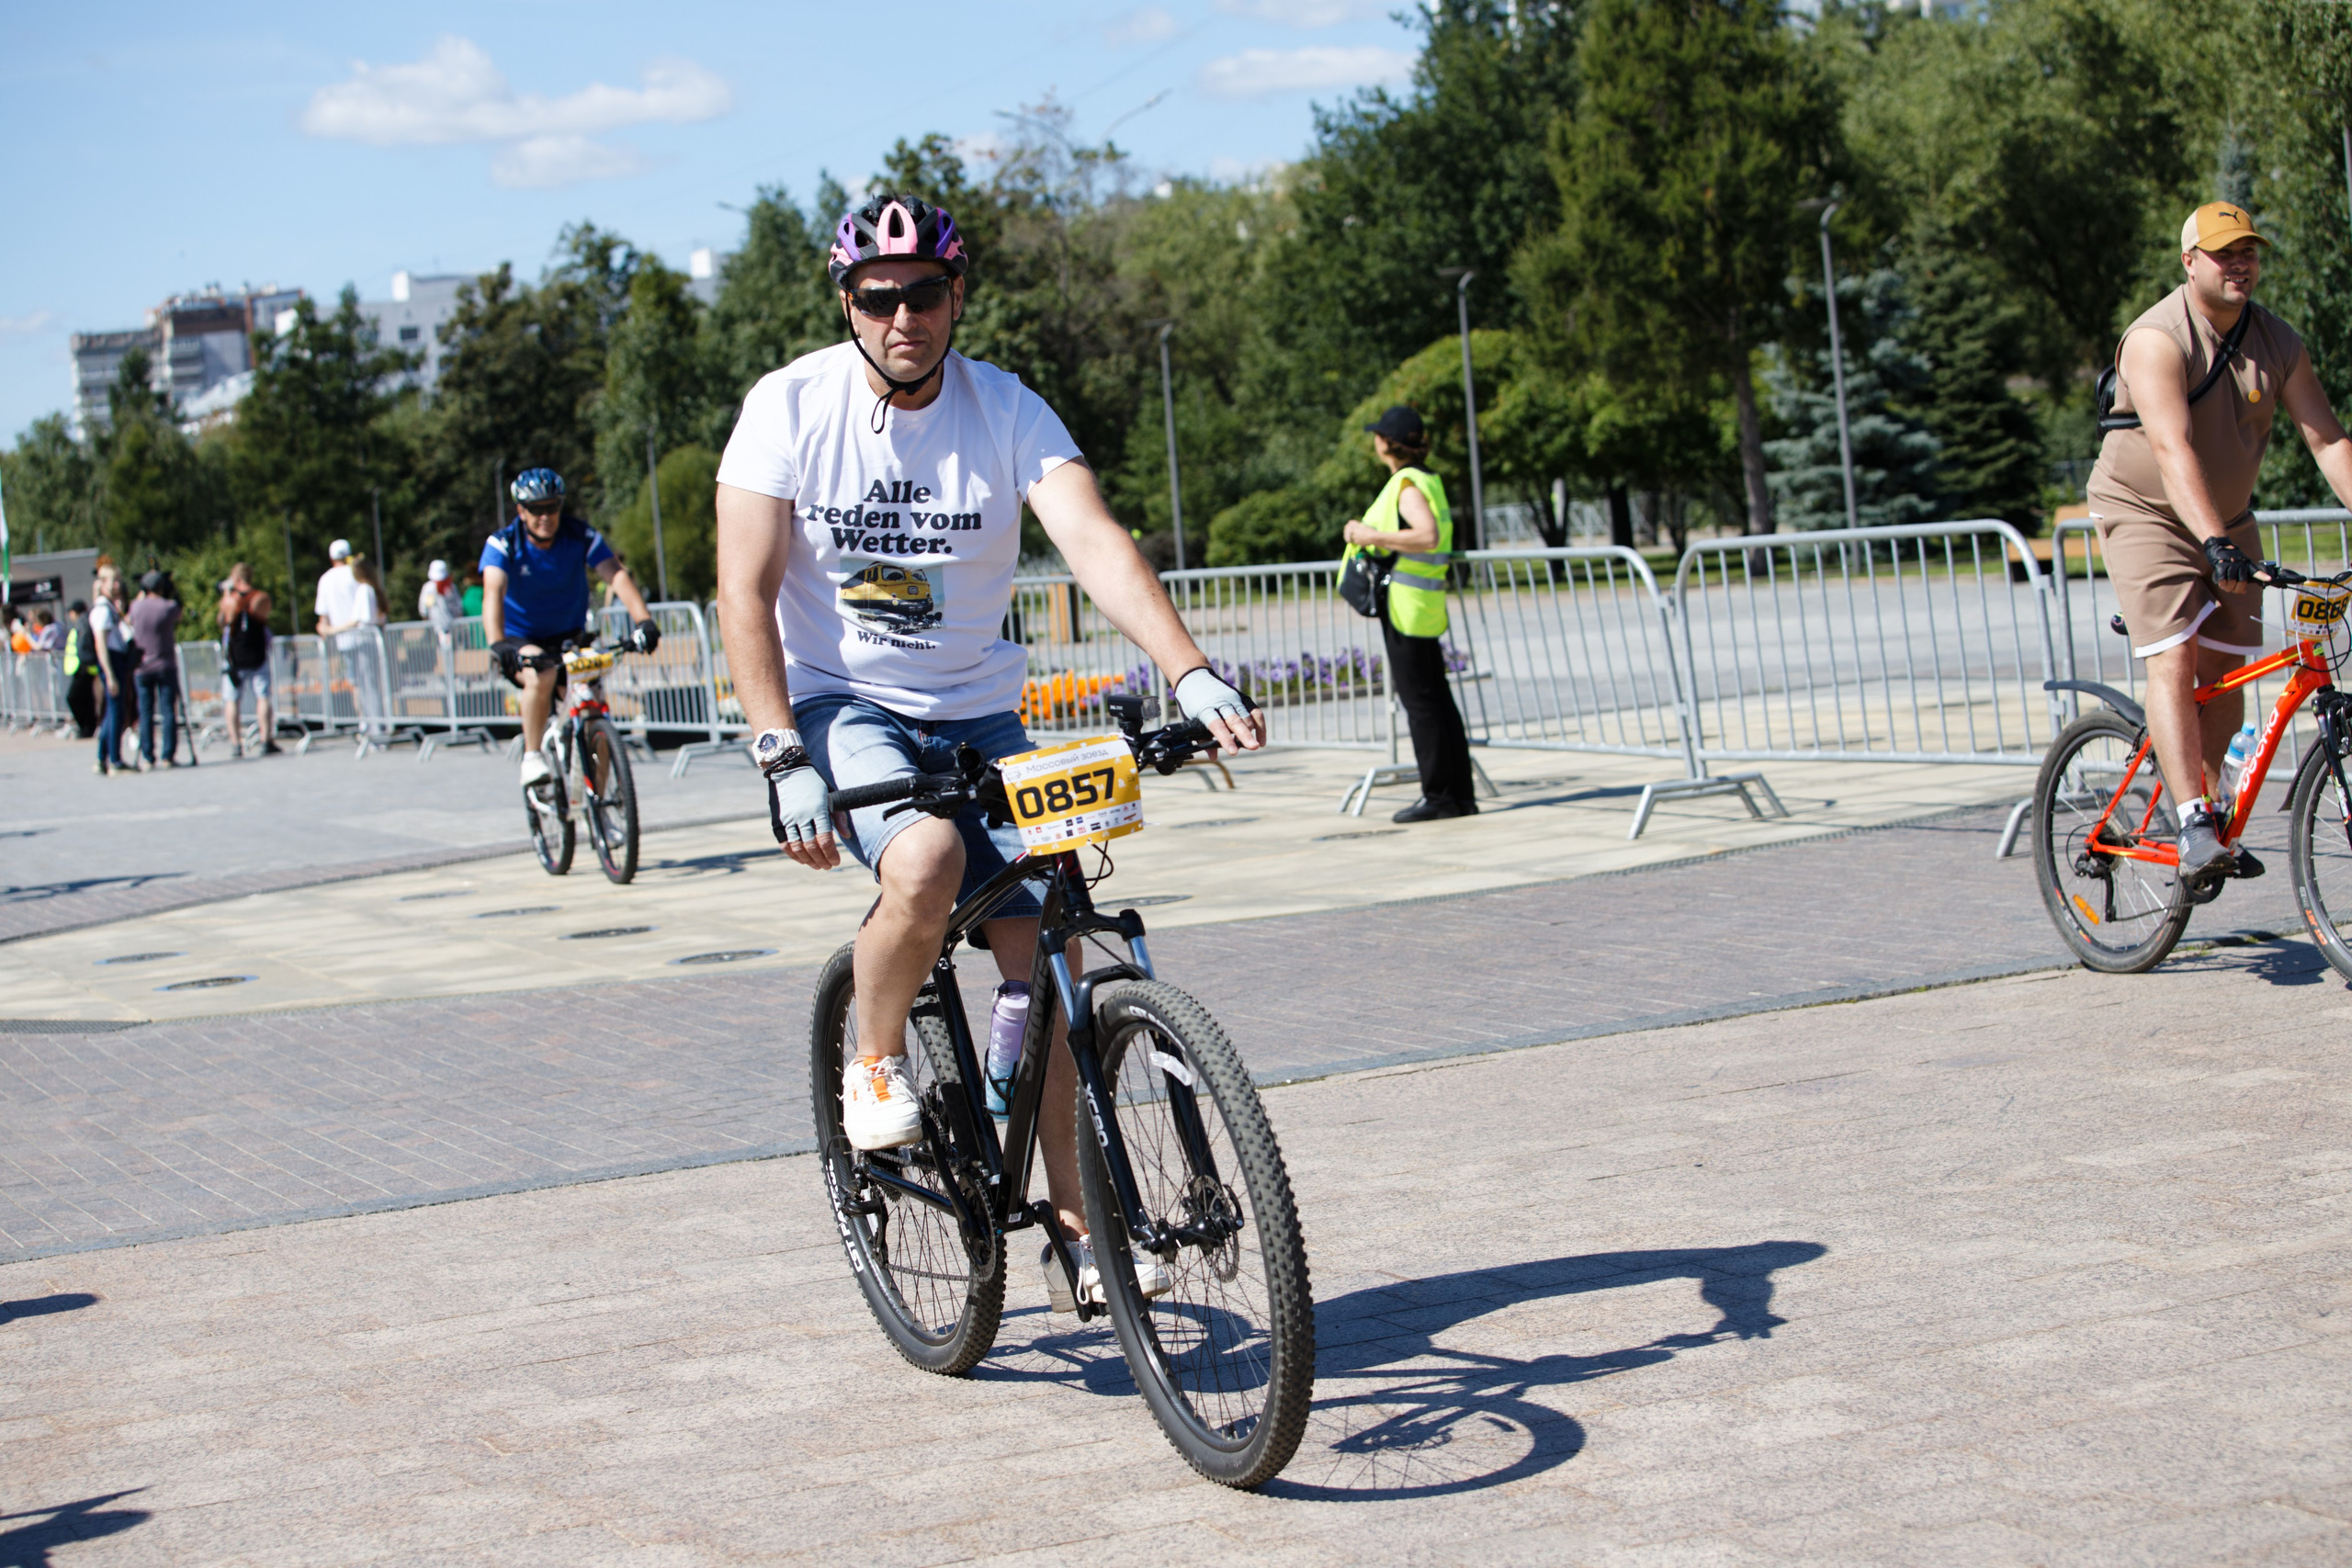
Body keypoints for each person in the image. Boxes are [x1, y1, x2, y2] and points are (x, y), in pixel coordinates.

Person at [713, 190, 1265, 1311]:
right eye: (880, 298)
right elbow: (745, 588)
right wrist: (779, 750)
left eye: (925, 295)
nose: (903, 317)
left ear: (956, 296)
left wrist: (1189, 667)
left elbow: (1094, 541)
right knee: (920, 865)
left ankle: (1072, 1229)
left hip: (981, 715)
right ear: (848, 303)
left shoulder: (1005, 408)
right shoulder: (789, 406)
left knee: (1051, 952)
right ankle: (872, 1060)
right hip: (843, 702)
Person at [2088, 201, 2352, 877]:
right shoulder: (2157, 339)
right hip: (2147, 512)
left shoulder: (2278, 341)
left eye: (2249, 252)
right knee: (2175, 655)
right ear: (2189, 262)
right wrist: (2212, 542)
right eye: (2224, 252)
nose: (2240, 264)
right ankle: (2191, 824)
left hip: (2225, 521)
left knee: (2228, 675)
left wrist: (2223, 537)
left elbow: (2327, 440)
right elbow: (2173, 449)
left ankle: (2204, 800)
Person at [1340, 405, 1477, 822]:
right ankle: (1459, 795)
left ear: (1386, 442)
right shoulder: (1427, 479)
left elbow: (1426, 535)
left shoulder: (1407, 483)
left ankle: (1439, 797)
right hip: (1420, 605)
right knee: (1437, 701)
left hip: (1404, 606)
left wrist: (1368, 535)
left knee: (1421, 704)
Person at [481, 468, 659, 785]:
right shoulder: (504, 543)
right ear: (521, 511)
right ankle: (533, 755)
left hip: (570, 637)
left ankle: (602, 802)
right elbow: (493, 591)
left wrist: (643, 620)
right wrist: (497, 643)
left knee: (594, 709)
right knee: (542, 674)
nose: (545, 516)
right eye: (536, 509)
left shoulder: (580, 535)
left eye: (552, 507)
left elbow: (614, 574)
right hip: (522, 639)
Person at [218, 563, 279, 757]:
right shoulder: (260, 598)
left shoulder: (230, 600)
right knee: (262, 696)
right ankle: (265, 739)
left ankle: (236, 744)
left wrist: (227, 593)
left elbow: (222, 621)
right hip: (257, 653)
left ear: (235, 578)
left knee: (232, 699)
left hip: (235, 656)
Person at [127, 570, 184, 769]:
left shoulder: (136, 607)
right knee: (169, 711)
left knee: (145, 712)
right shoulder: (167, 606)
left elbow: (128, 619)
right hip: (165, 665)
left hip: (142, 667)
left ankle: (148, 756)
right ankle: (168, 756)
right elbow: (180, 614)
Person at [89, 562, 135, 773]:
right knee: (115, 712)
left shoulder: (108, 608)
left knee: (113, 712)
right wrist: (110, 675)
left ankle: (104, 758)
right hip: (112, 662)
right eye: (113, 581)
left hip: (115, 660)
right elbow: (101, 644)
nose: (118, 585)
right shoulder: (102, 611)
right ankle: (113, 759)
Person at [62, 601, 100, 739]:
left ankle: (86, 727)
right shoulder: (82, 622)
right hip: (81, 666)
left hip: (83, 666)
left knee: (74, 697)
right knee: (87, 699)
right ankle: (88, 728)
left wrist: (87, 660)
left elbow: (84, 644)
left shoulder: (83, 622)